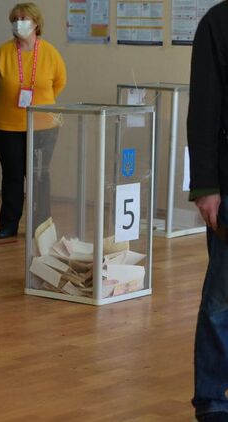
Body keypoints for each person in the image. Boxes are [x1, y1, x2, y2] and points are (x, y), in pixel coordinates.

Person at [0, 2, 66, 239]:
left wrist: (41, 102)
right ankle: (9, 224)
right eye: (15, 19)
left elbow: (59, 83)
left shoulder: (50, 53)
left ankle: (40, 226)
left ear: (36, 23)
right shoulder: (2, 53)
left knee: (40, 176)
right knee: (12, 175)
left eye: (24, 18)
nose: (19, 23)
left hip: (43, 126)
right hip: (7, 125)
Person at [187, 2, 228, 420]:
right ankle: (213, 400)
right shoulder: (217, 23)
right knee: (221, 301)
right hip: (227, 186)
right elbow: (202, 109)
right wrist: (206, 187)